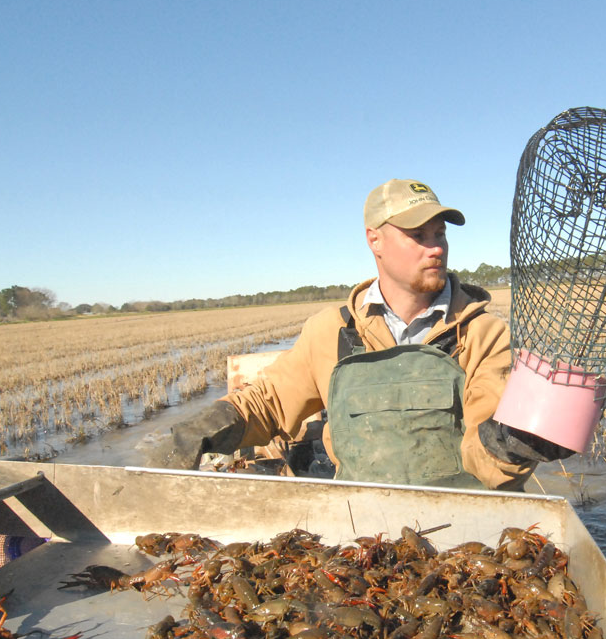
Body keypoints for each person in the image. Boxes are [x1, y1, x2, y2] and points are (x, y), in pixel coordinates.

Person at [141, 179, 570, 490]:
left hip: (460, 516)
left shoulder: (483, 334)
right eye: (417, 235)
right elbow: (269, 403)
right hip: (358, 522)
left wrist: (513, 445)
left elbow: (482, 460)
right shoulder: (333, 330)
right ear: (375, 240)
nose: (435, 246)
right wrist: (201, 430)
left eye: (439, 233)